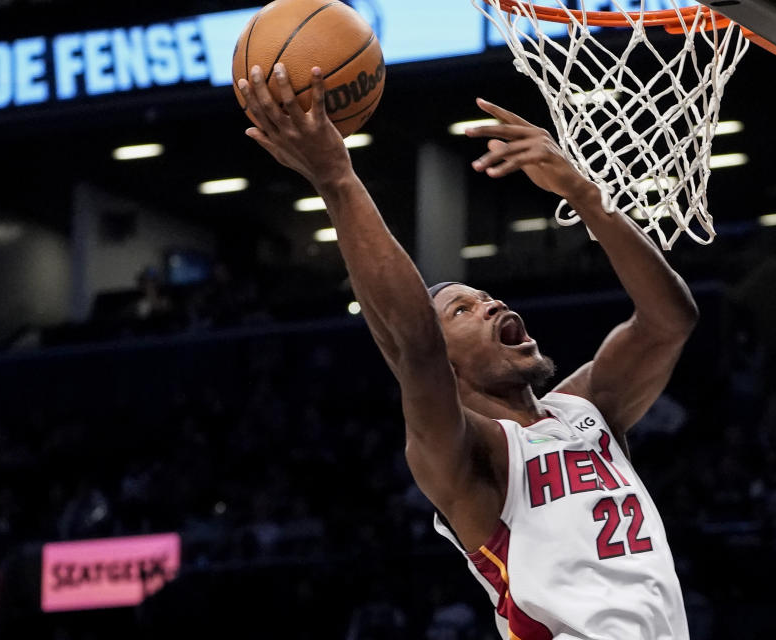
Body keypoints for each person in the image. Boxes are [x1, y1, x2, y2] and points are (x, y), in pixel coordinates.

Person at [238, 63, 699, 639]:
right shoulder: (467, 454)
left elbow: (669, 320)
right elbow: (416, 344)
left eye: (484, 295)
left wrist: (584, 194)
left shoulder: (587, 409)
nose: (488, 303)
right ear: (449, 363)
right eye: (463, 309)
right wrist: (337, 179)